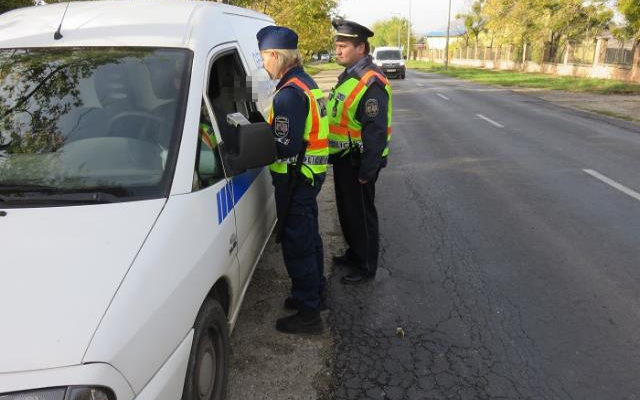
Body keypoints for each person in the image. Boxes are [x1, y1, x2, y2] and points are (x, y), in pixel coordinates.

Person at [257, 25, 329, 334]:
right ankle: (315, 293)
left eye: (263, 58)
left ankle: (308, 313)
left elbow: (285, 144)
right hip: (310, 175)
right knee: (310, 237)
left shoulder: (288, 95)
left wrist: (257, 141)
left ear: (275, 55)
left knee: (298, 242)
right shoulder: (306, 82)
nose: (262, 65)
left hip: (296, 178)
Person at [327, 19, 392, 285]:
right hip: (344, 158)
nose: (338, 51)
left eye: (343, 46)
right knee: (348, 212)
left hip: (359, 162)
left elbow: (375, 131)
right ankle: (354, 253)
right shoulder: (350, 75)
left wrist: (368, 170)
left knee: (362, 215)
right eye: (337, 46)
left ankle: (366, 266)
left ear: (361, 48)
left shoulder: (370, 82)